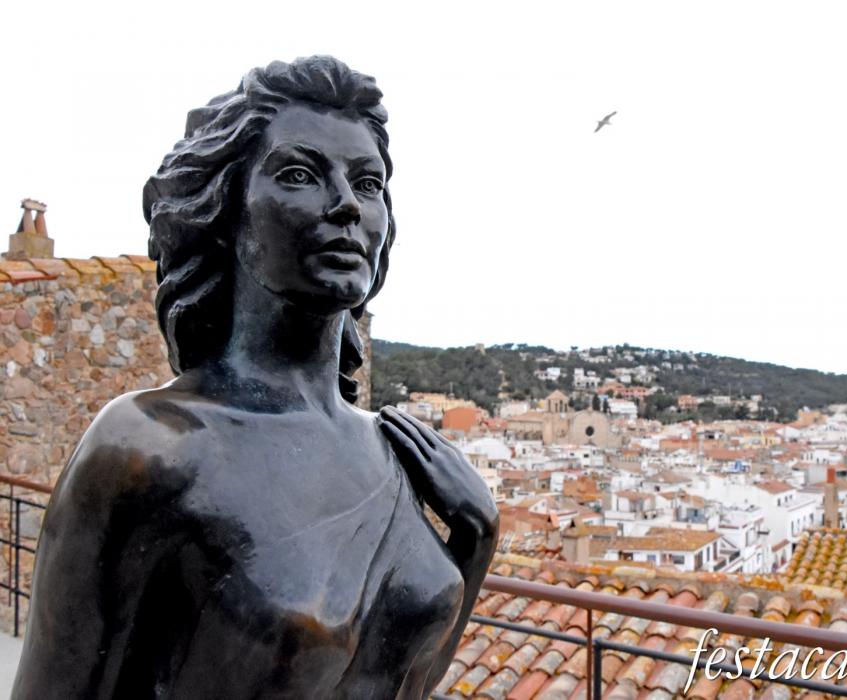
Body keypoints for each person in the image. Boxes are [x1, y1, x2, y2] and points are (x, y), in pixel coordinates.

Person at [12, 56, 498, 699]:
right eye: (299, 175)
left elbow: (402, 679)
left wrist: (478, 537)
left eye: (369, 183)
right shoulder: (148, 445)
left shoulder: (398, 457)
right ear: (226, 213)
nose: (348, 205)